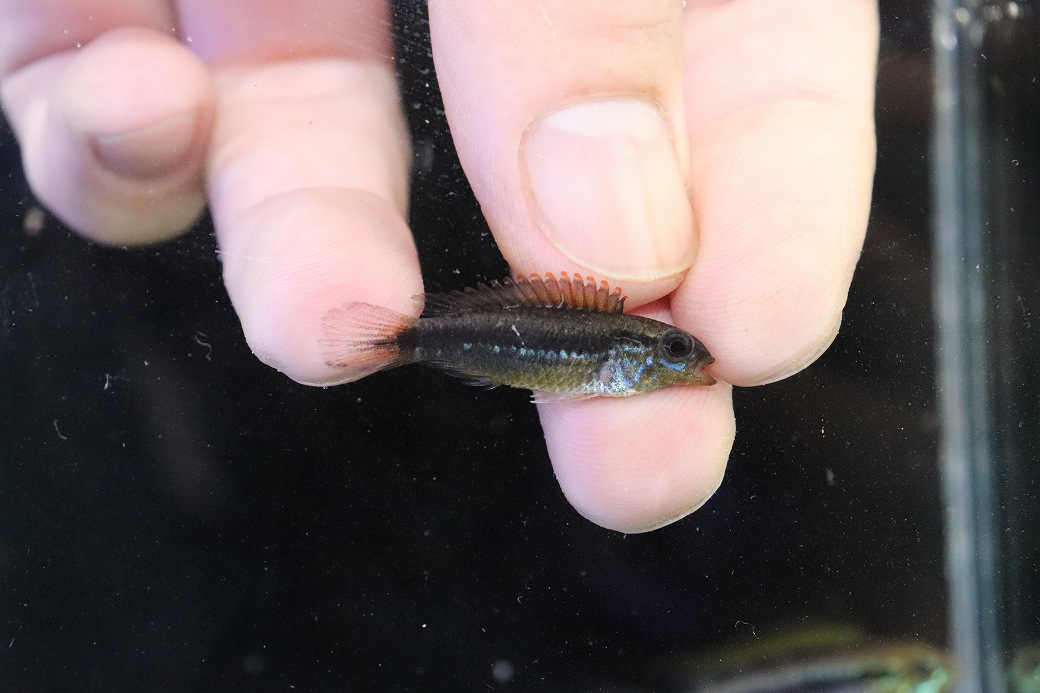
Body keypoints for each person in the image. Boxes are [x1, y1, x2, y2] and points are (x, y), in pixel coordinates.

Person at [0, 1, 878, 533]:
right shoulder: (621, 340)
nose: (688, 358)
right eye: (677, 354)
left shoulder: (620, 343)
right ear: (643, 353)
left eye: (679, 354)